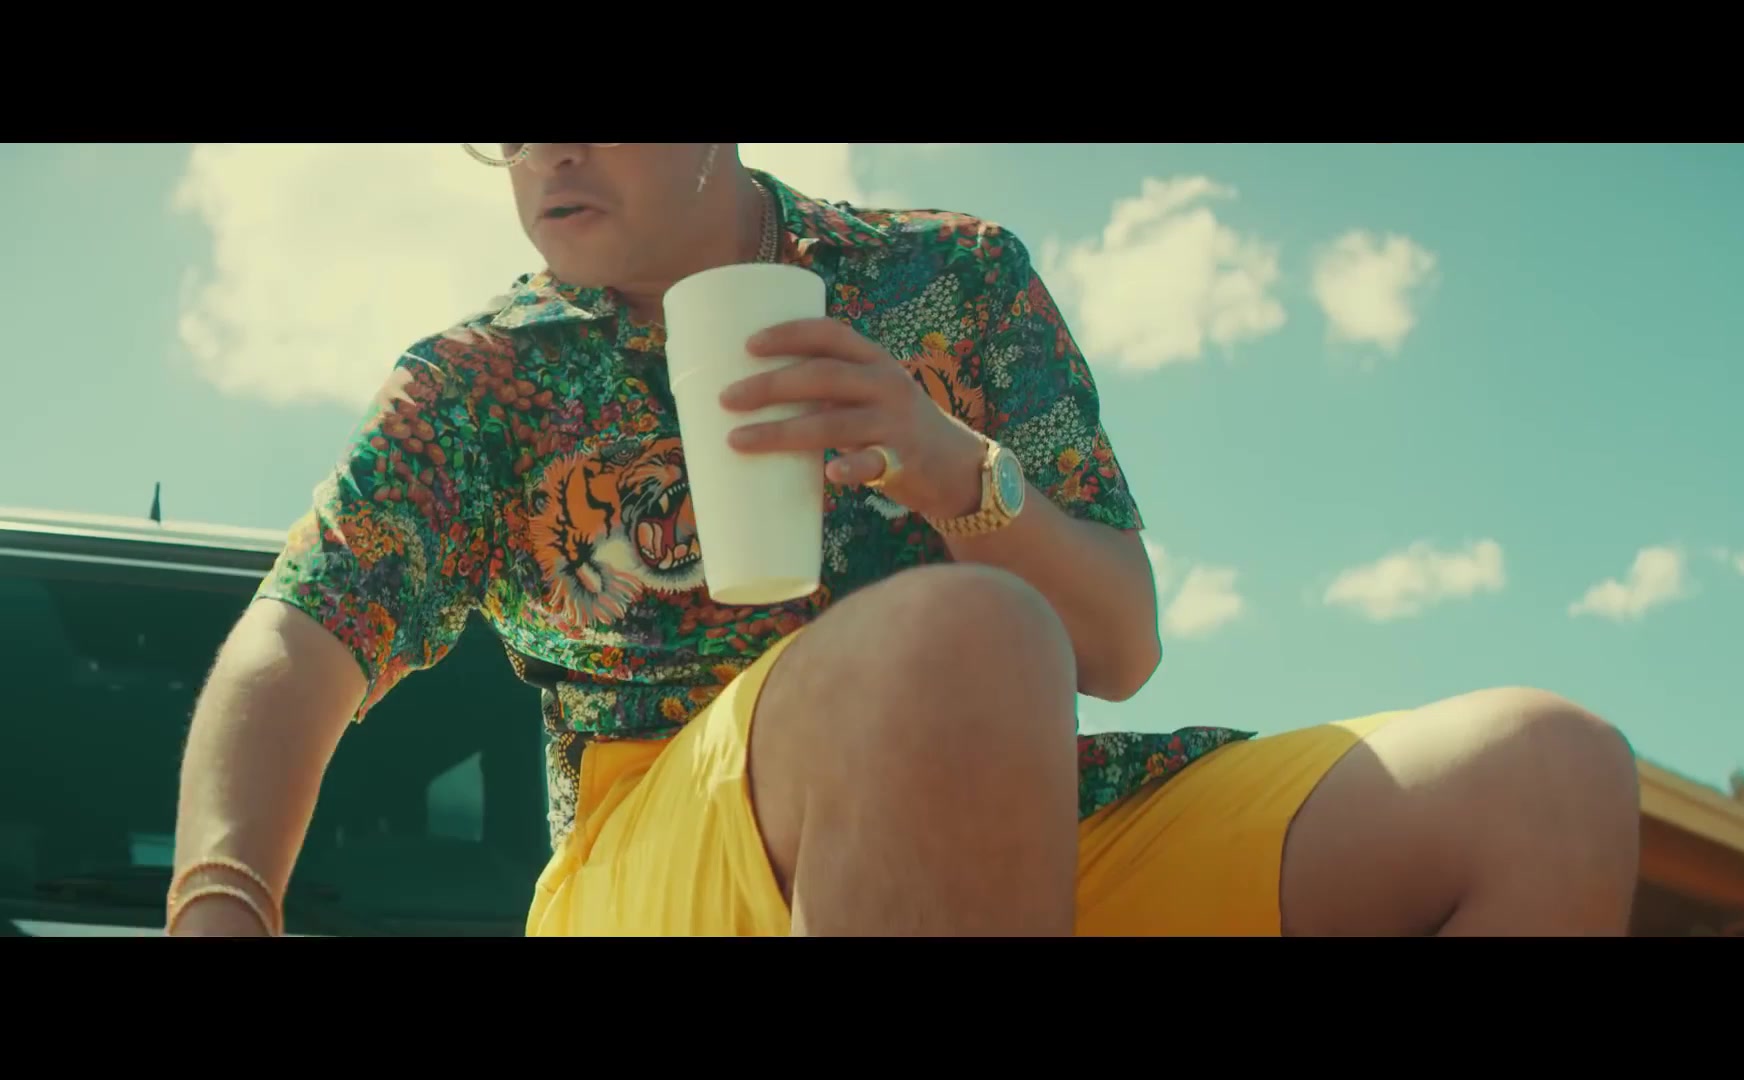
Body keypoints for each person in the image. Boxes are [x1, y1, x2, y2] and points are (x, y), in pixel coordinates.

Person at [168, 143, 1643, 937]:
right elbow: (297, 642)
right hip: (657, 858)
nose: (547, 151)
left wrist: (948, 468)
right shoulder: (477, 384)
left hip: (1019, 809)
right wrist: (224, 904)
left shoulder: (956, 277)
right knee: (960, 639)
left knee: (1551, 776)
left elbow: (1123, 644)